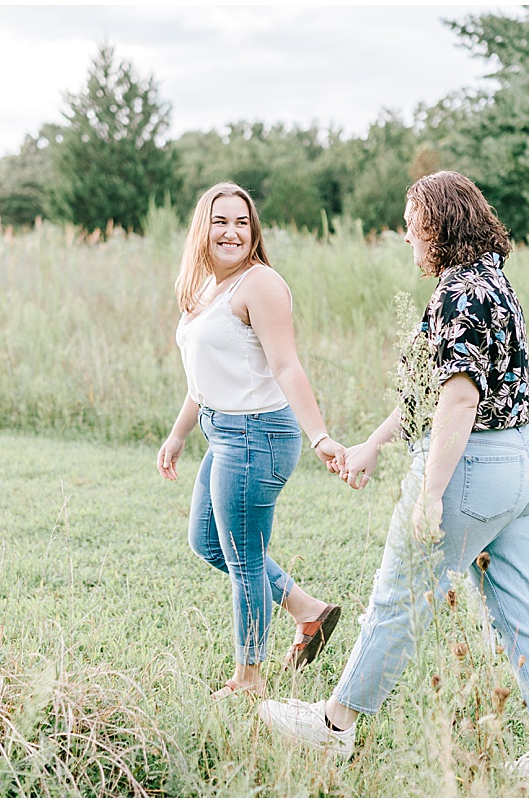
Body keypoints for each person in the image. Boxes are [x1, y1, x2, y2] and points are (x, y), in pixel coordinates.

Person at [257, 171, 529, 792]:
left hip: (471, 470)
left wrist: (431, 496)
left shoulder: (456, 295)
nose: (406, 237)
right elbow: (431, 391)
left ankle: (334, 726)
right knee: (522, 613)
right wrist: (371, 447)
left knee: (398, 599)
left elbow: (459, 401)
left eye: (410, 226)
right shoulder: (493, 282)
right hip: (523, 463)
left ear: (436, 227)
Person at [158, 182, 345, 700]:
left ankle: (249, 679)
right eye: (221, 221)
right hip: (223, 432)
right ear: (203, 228)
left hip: (258, 436)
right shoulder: (206, 291)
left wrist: (320, 435)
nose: (232, 232)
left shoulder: (260, 285)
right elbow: (205, 378)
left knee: (243, 560)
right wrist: (178, 435)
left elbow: (286, 364)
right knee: (207, 542)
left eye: (242, 222)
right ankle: (307, 611)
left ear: (253, 230)